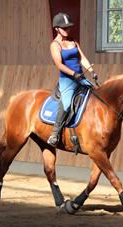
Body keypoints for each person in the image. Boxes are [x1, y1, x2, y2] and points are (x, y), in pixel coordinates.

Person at [47, 12, 98, 147]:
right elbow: (59, 64)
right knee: (67, 103)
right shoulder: (55, 45)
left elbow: (82, 58)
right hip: (67, 80)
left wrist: (92, 71)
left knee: (97, 95)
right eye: (64, 28)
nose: (67, 30)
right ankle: (55, 133)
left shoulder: (73, 41)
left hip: (80, 77)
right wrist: (73, 74)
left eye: (69, 27)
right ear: (57, 28)